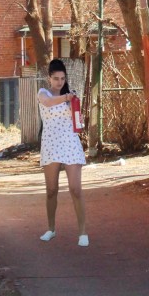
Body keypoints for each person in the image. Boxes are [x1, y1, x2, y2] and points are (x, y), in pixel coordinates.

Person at [37, 59, 89, 246]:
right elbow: (48, 102)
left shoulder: (71, 96)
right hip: (51, 144)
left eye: (62, 78)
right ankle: (51, 229)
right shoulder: (43, 93)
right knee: (51, 190)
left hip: (70, 144)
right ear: (49, 78)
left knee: (76, 189)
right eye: (56, 78)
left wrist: (75, 108)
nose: (59, 82)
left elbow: (77, 120)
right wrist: (66, 98)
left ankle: (82, 232)